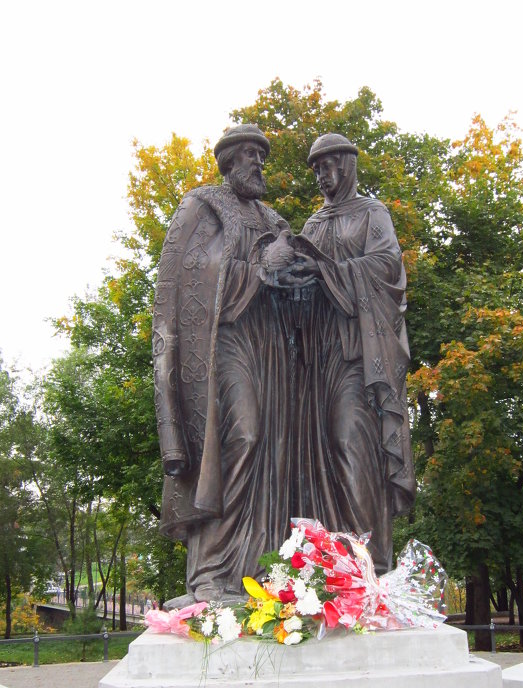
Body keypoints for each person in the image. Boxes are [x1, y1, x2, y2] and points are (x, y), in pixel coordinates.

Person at [153, 124, 297, 606]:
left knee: (273, 454)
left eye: (262, 155)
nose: (259, 163)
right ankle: (212, 573)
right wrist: (262, 270)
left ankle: (261, 571)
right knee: (241, 437)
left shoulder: (274, 219)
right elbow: (188, 280)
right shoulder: (203, 206)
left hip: (271, 347)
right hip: (224, 343)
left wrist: (296, 272)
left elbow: (292, 287)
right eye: (251, 155)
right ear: (229, 161)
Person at [287, 133, 416, 573]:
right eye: (316, 170)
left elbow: (386, 267)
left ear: (348, 165)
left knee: (350, 443)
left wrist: (327, 271)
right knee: (314, 456)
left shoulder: (371, 214)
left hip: (355, 354)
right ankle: (329, 565)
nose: (322, 176)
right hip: (316, 356)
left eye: (328, 166)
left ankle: (369, 562)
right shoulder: (313, 224)